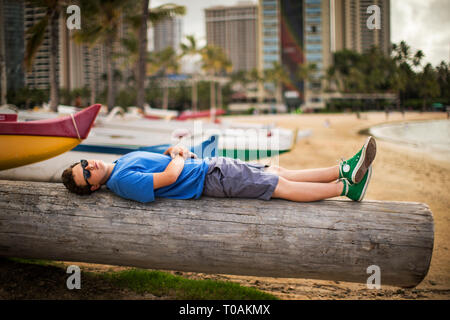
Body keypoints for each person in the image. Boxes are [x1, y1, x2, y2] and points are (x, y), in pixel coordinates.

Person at [61, 136, 377, 203]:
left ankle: (342, 168)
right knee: (279, 186)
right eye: (86, 174)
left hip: (210, 167)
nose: (90, 166)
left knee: (279, 172)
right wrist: (180, 158)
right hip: (211, 177)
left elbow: (165, 155)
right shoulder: (122, 182)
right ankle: (346, 188)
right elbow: (169, 177)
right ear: (93, 188)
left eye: (84, 163)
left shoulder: (120, 163)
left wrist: (175, 150)